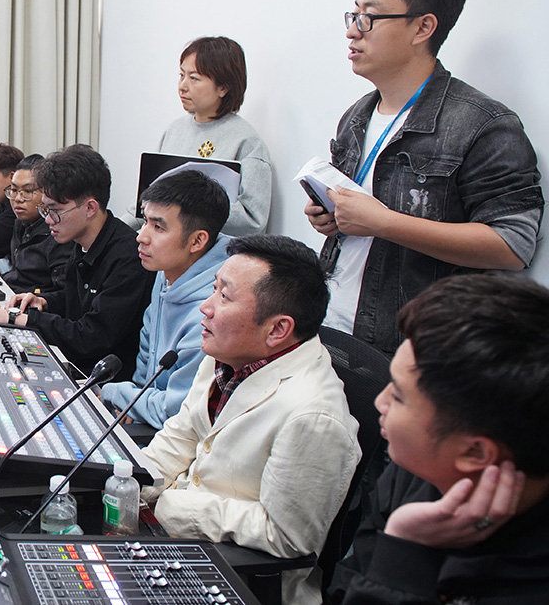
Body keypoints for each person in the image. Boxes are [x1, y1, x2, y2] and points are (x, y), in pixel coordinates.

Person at [304, 0, 543, 354]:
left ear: (423, 27)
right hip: (330, 326)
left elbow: (512, 245)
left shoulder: (482, 124)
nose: (352, 31)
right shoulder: (358, 115)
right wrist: (332, 216)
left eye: (370, 17)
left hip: (408, 347)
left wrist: (385, 223)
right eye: (353, 14)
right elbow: (363, 216)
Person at [141, 235, 359, 605]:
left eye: (224, 297)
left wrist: (176, 508)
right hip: (175, 542)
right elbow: (180, 436)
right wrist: (130, 485)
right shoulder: (227, 354)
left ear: (277, 329)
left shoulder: (313, 416)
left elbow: (286, 537)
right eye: (214, 289)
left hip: (239, 580)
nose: (206, 307)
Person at [326, 273, 549, 604]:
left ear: (475, 453)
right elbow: (343, 591)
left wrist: (407, 549)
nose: (380, 402)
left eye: (398, 396)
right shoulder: (419, 467)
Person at [0, 145, 152, 381]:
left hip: (100, 381)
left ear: (90, 208)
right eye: (45, 209)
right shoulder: (81, 239)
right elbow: (75, 298)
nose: (48, 220)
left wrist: (18, 319)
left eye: (55, 210)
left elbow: (91, 336)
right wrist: (45, 300)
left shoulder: (127, 259)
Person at [101, 170, 230, 431]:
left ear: (197, 241)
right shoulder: (168, 270)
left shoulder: (211, 310)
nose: (141, 236)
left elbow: (177, 413)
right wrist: (133, 404)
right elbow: (147, 350)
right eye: (145, 222)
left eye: (158, 227)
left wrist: (115, 393)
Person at [160, 36, 272, 236]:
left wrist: (186, 208)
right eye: (181, 75)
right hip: (165, 248)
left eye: (194, 78)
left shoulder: (247, 141)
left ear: (223, 88)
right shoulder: (174, 130)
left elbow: (253, 219)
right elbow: (149, 198)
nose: (182, 86)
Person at [2, 154, 72, 294]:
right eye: (14, 190)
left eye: (27, 191)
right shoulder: (20, 223)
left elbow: (62, 293)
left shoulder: (57, 230)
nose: (18, 198)